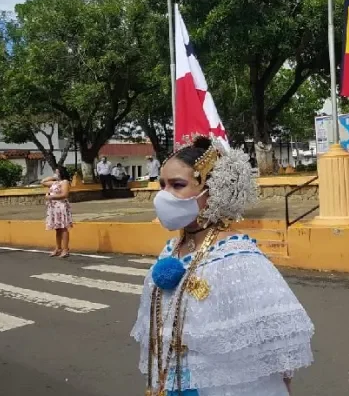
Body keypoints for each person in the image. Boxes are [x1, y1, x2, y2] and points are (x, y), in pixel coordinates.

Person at [132, 136, 314, 396]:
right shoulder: (170, 250)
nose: (164, 195)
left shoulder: (237, 255)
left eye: (177, 185)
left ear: (213, 189)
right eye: (162, 185)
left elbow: (269, 335)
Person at [41, 166, 73, 258]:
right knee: (57, 228)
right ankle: (58, 248)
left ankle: (65, 249)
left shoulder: (65, 182)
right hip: (54, 207)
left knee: (63, 228)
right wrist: (54, 177)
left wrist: (51, 197)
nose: (56, 174)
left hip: (61, 206)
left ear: (61, 173)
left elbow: (64, 194)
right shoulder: (55, 182)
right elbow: (43, 182)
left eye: (57, 172)